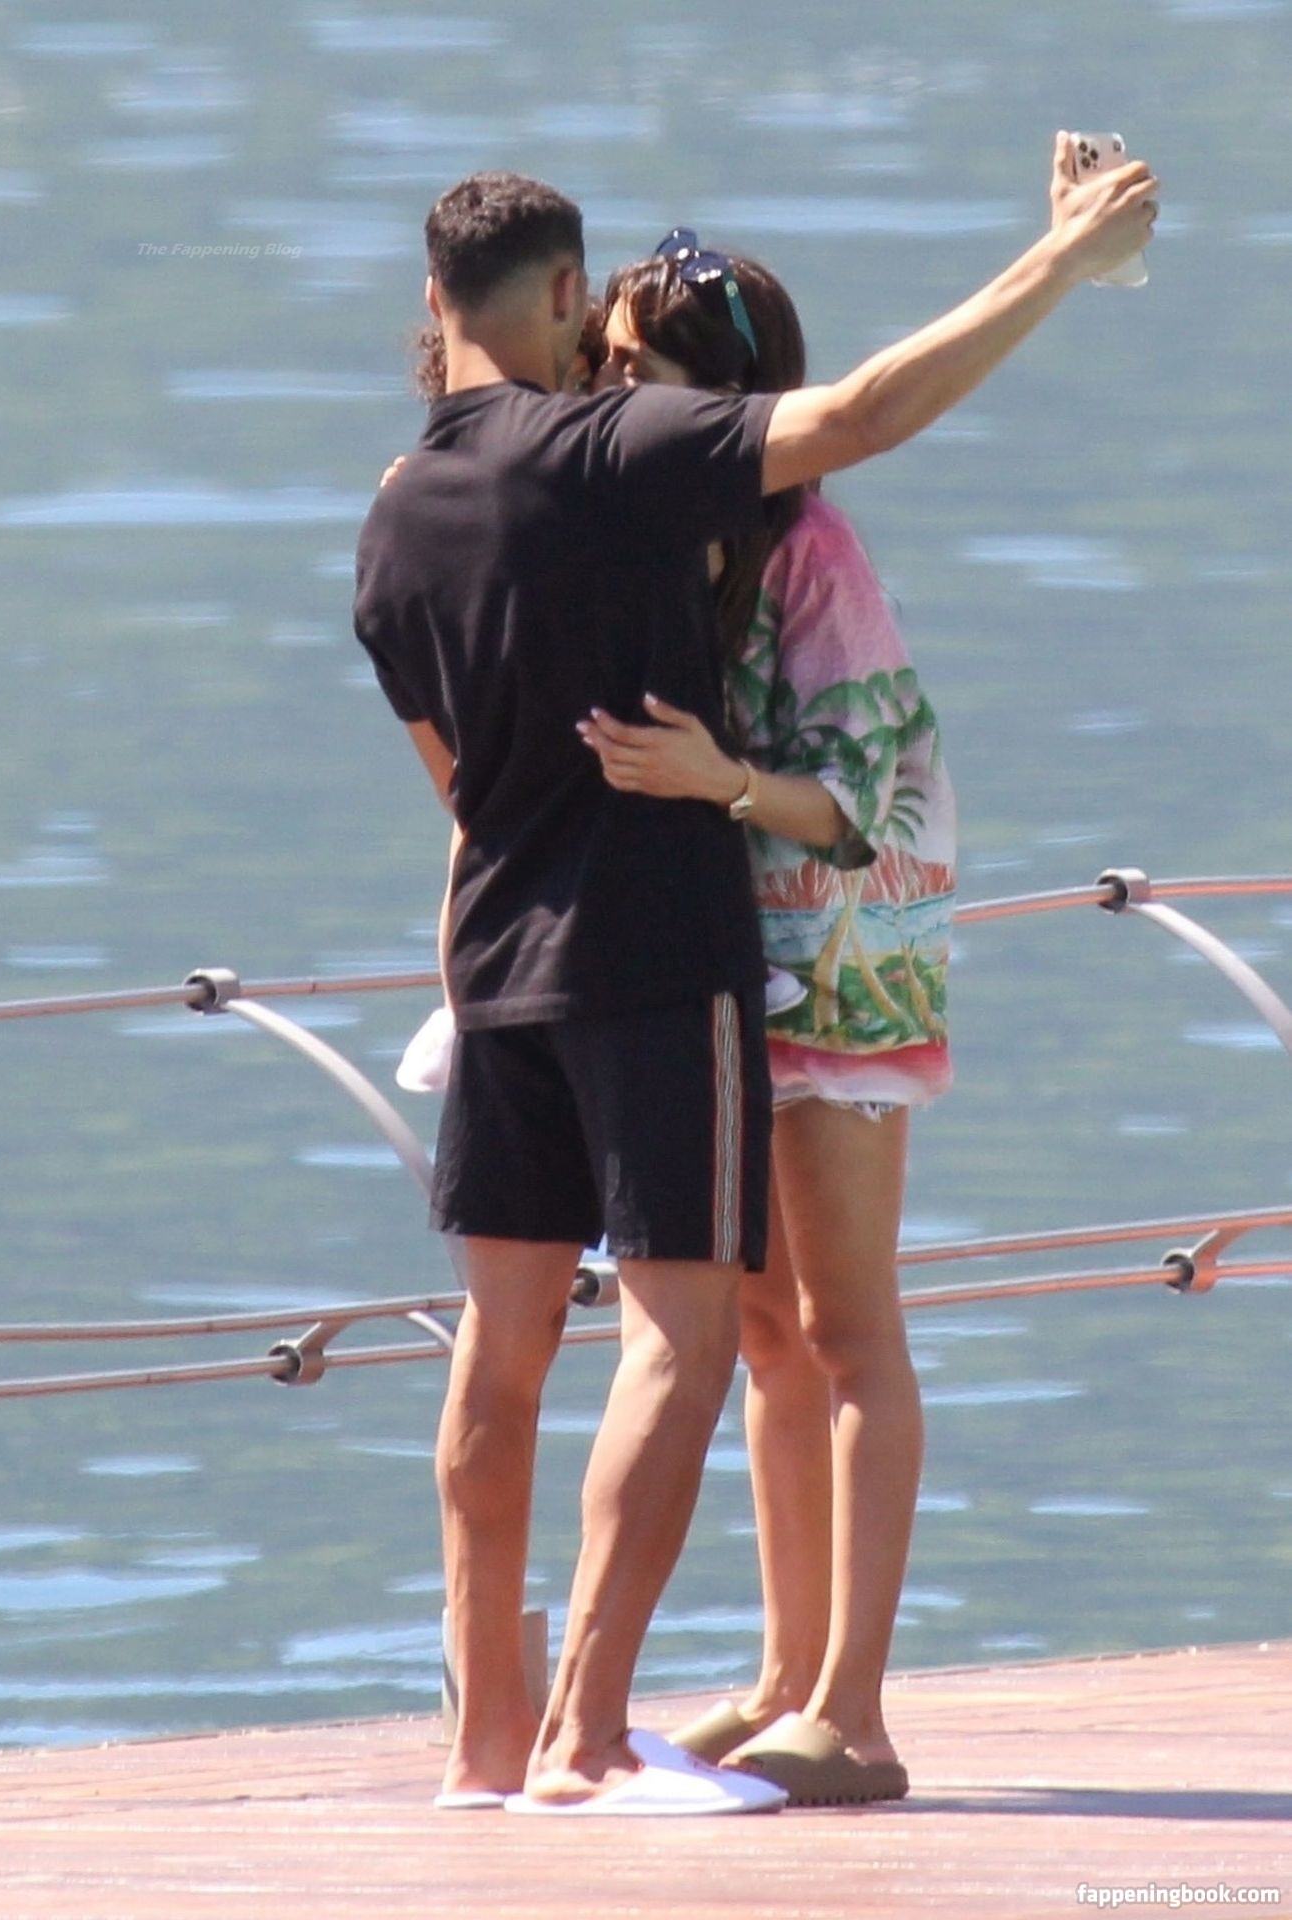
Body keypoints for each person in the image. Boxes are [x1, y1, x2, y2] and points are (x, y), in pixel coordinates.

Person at [352, 143, 1157, 1815]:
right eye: (601, 340)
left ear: (431, 303)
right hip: (660, 962)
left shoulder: (402, 509)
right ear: (562, 301)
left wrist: (688, 797)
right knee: (703, 1337)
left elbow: (460, 782)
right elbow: (861, 412)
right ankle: (595, 1732)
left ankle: (531, 1738)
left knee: (543, 1348)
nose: (615, 375)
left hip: (558, 960)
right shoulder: (617, 466)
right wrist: (1065, 262)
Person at [578, 244, 953, 1807]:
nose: (611, 393)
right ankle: (784, 1676)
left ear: (723, 392)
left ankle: (856, 1715)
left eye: (636, 366)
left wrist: (722, 781)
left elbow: (860, 799)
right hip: (727, 969)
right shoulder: (654, 536)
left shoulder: (812, 547)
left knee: (851, 1327)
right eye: (599, 362)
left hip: (848, 962)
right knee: (771, 1333)